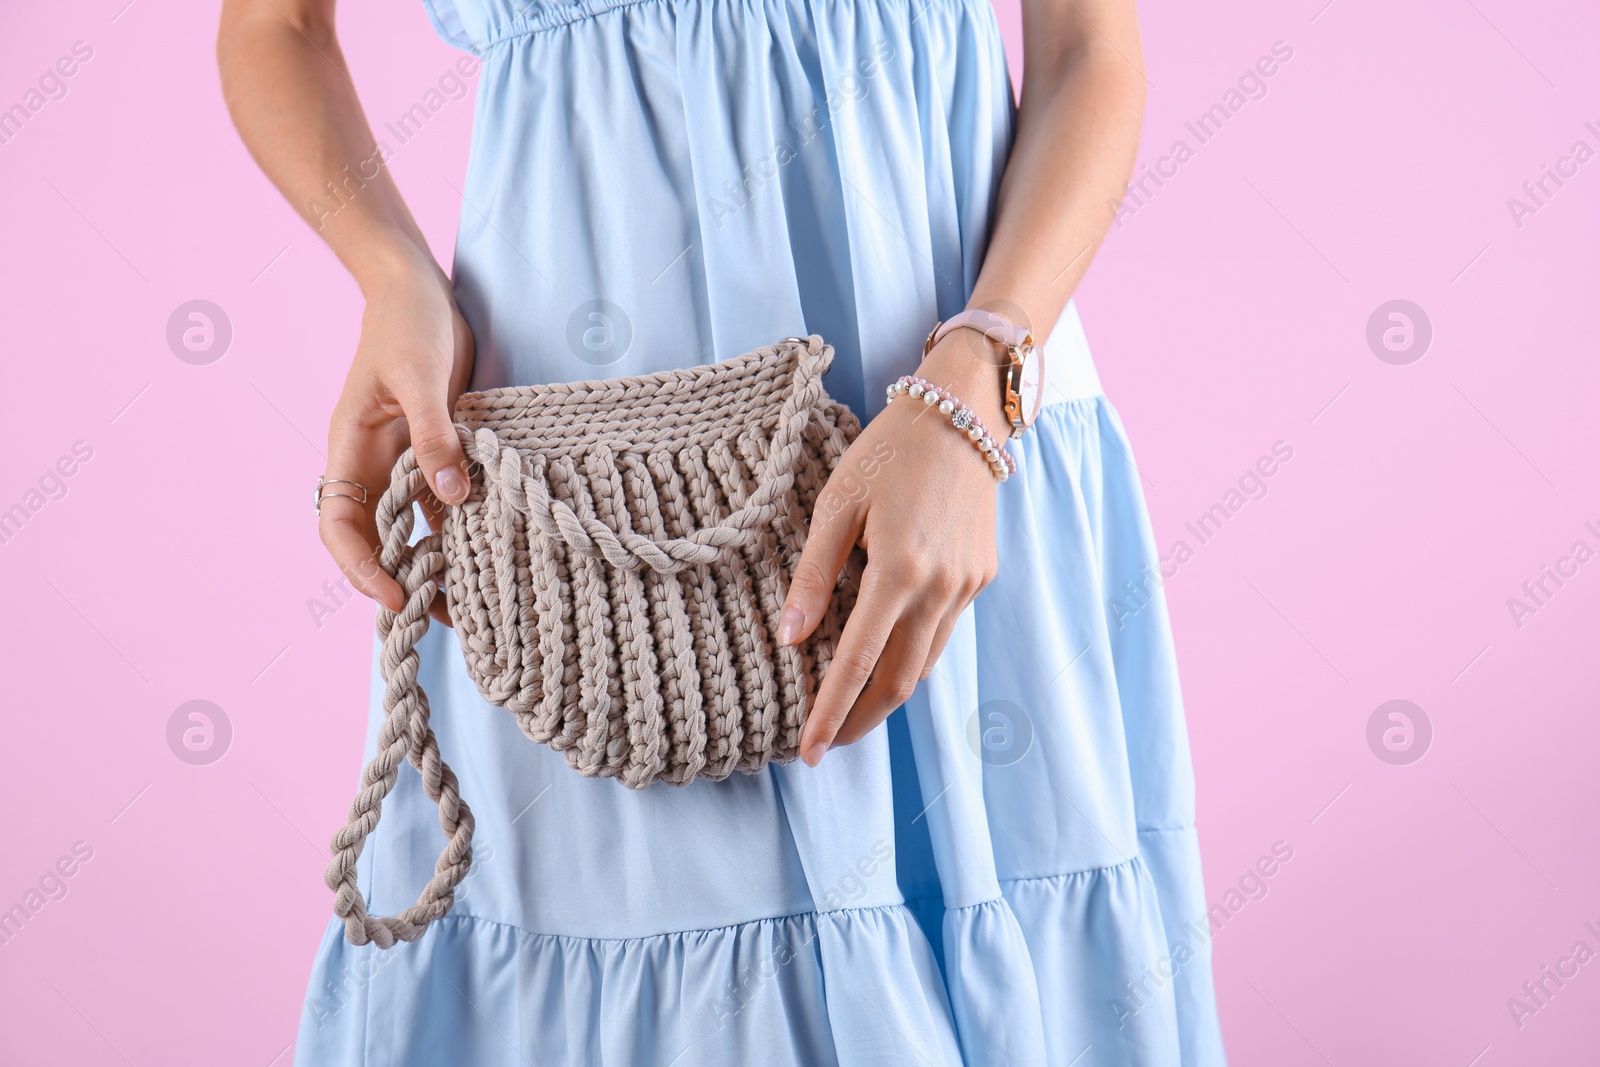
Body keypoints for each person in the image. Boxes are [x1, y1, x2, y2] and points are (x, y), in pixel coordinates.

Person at [218, 0, 1226, 1061]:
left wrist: (977, 378)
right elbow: (271, 28)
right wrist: (391, 276)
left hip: (961, 418)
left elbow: (1090, 50)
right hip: (597, 477)